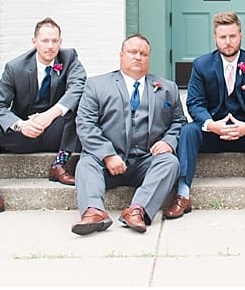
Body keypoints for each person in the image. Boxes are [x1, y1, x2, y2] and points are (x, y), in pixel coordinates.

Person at [166, 11, 245, 218]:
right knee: (188, 131)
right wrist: (211, 125)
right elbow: (195, 103)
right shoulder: (201, 65)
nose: (228, 42)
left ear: (241, 35)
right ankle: (183, 194)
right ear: (215, 38)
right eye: (223, 37)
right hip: (214, 133)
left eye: (232, 36)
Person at [0, 17, 86, 218]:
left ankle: (59, 164)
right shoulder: (15, 67)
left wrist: (50, 115)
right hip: (23, 134)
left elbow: (78, 88)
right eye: (45, 41)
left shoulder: (70, 59)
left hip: (57, 133)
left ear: (60, 42)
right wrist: (20, 125)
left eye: (54, 41)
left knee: (80, 104)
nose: (50, 46)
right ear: (34, 41)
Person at [71, 34, 185, 235]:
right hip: (106, 163)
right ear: (121, 55)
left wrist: (168, 141)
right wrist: (107, 154)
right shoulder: (96, 85)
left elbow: (179, 122)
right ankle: (94, 212)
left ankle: (136, 210)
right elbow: (85, 124)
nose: (138, 57)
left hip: (146, 161)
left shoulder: (168, 88)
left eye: (143, 54)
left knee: (170, 162)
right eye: (132, 52)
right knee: (86, 163)